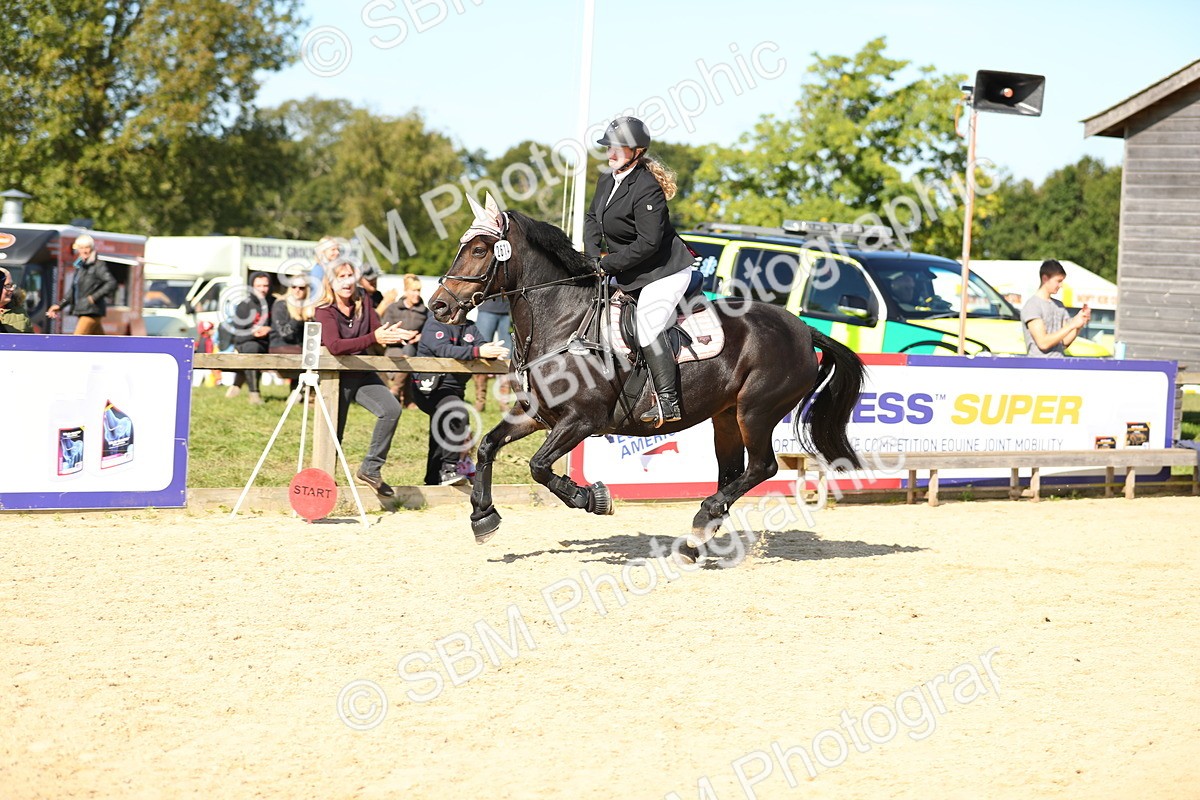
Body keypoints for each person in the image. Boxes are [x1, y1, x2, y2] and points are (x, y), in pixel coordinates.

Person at [584, 115, 696, 426]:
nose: (611, 153)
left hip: (665, 271)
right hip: (631, 269)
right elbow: (593, 219)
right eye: (609, 147)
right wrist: (592, 258)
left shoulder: (646, 187)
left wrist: (607, 264)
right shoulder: (607, 179)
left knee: (647, 324)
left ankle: (668, 400)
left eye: (619, 148)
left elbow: (649, 242)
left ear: (638, 151)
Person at [313, 257, 407, 497]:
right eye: (341, 277)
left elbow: (377, 330)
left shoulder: (364, 301)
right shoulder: (324, 310)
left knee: (391, 410)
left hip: (363, 374)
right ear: (331, 282)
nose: (346, 282)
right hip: (335, 380)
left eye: (350, 276)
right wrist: (373, 338)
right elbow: (335, 345)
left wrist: (391, 335)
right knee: (335, 433)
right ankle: (323, 488)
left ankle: (370, 469)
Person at [412, 314, 509, 486]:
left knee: (443, 430)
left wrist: (492, 352)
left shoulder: (470, 326)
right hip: (431, 387)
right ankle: (449, 469)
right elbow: (444, 350)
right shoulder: (435, 324)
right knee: (457, 414)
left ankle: (433, 479)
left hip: (455, 389)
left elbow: (480, 345)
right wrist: (478, 352)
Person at [45, 234, 118, 334]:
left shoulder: (98, 265)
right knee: (100, 344)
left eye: (87, 247)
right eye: (81, 248)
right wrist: (60, 305)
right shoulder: (81, 267)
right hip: (84, 310)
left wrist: (93, 298)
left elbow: (111, 282)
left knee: (77, 341)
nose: (84, 251)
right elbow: (73, 290)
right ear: (78, 249)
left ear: (92, 248)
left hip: (91, 312)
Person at [1021, 259, 1090, 358]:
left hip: (1059, 366)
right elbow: (1043, 343)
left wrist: (1079, 324)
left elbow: (1064, 342)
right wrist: (1071, 325)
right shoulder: (1032, 306)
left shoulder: (1059, 305)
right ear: (1045, 278)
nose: (1061, 285)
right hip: (1038, 367)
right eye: (1058, 281)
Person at [226, 272, 274, 404]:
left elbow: (282, 327)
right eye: (258, 285)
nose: (262, 289)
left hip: (270, 342)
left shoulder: (275, 303)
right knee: (251, 348)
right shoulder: (244, 305)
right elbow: (236, 335)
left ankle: (237, 384)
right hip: (247, 343)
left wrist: (269, 329)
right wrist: (254, 333)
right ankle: (254, 393)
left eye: (265, 285)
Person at [380, 274, 428, 405]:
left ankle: (396, 390)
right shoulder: (393, 308)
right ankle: (406, 398)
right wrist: (402, 335)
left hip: (415, 347)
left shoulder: (425, 311)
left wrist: (419, 336)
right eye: (413, 290)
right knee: (405, 353)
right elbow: (385, 329)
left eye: (418, 290)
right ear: (406, 291)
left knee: (409, 349)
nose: (416, 294)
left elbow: (429, 331)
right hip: (394, 346)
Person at [269, 273, 315, 391]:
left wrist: (311, 319)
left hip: (301, 348)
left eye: (301, 287)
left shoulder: (310, 306)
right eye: (294, 287)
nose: (297, 290)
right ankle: (300, 393)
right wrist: (298, 319)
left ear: (307, 289)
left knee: (316, 355)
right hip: (281, 346)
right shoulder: (281, 304)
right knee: (308, 357)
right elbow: (285, 334)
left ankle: (301, 393)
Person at [472, 295, 513, 411]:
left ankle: (504, 402)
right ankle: (480, 400)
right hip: (487, 309)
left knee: (508, 356)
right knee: (481, 352)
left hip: (508, 312)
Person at [0, 268, 31, 333]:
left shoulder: (19, 312)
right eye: (8, 285)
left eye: (12, 285)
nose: (12, 289)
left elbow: (30, 341)